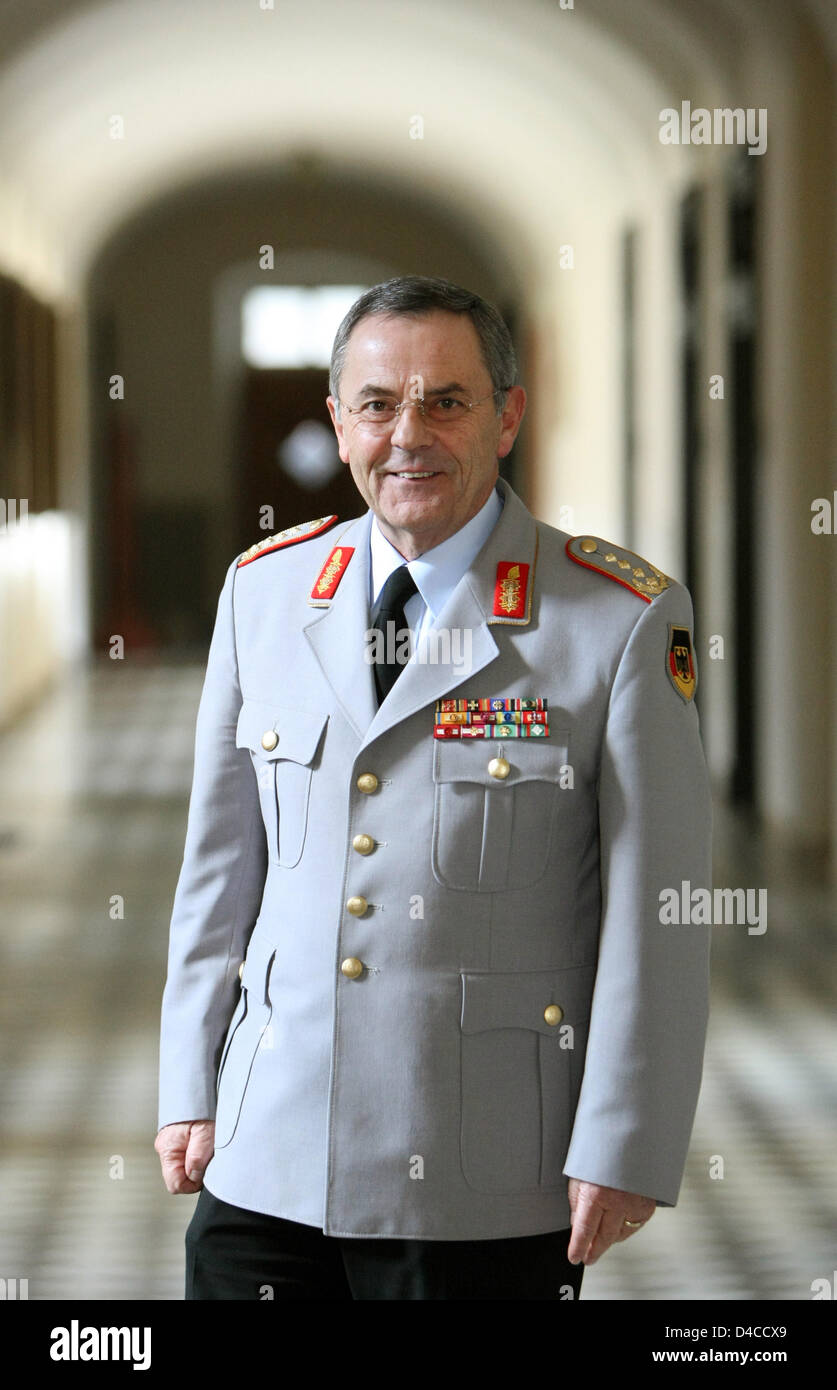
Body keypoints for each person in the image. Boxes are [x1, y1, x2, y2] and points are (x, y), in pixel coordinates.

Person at [155, 275, 712, 1301]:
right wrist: (189, 1086)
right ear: (338, 422)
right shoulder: (266, 590)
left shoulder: (619, 617)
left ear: (507, 418)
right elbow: (219, 869)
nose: (407, 432)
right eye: (377, 403)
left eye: (446, 401)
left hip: (484, 1171)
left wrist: (624, 1137)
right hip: (267, 1150)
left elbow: (660, 910)